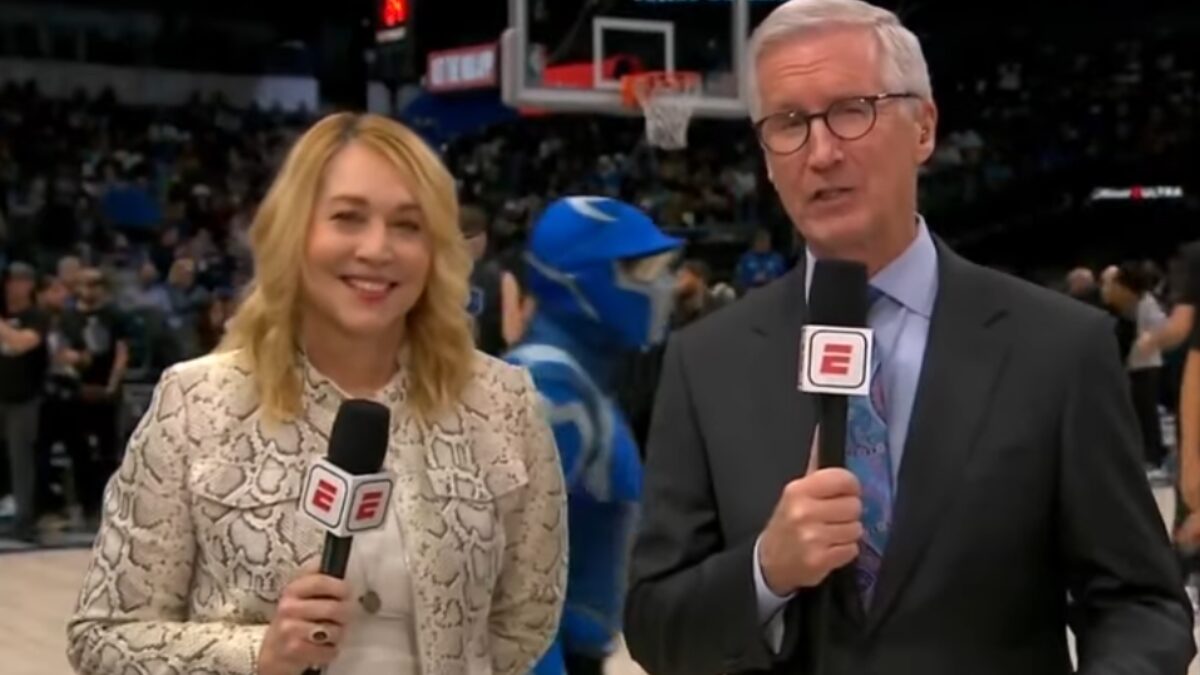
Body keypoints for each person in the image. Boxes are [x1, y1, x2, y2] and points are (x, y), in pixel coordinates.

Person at [623, 2, 1194, 674]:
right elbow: (655, 626)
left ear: (923, 127)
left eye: (852, 110)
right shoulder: (705, 363)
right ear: (766, 157)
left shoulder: (1060, 349)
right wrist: (766, 570)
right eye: (789, 123)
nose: (821, 152)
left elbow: (1139, 603)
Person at [68, 112, 567, 675]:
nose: (377, 249)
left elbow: (527, 618)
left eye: (408, 225)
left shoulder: (504, 401)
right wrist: (257, 655)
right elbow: (103, 638)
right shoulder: (195, 402)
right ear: (294, 233)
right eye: (348, 218)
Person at [506, 196, 682, 675]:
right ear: (580, 281)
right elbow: (503, 584)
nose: (664, 286)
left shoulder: (576, 386)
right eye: (643, 272)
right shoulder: (548, 393)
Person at [0, 261, 49, 542]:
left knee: (22, 461)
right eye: (12, 280)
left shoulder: (37, 316)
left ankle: (24, 520)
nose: (15, 286)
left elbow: (21, 343)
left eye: (22, 281)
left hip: (24, 398)